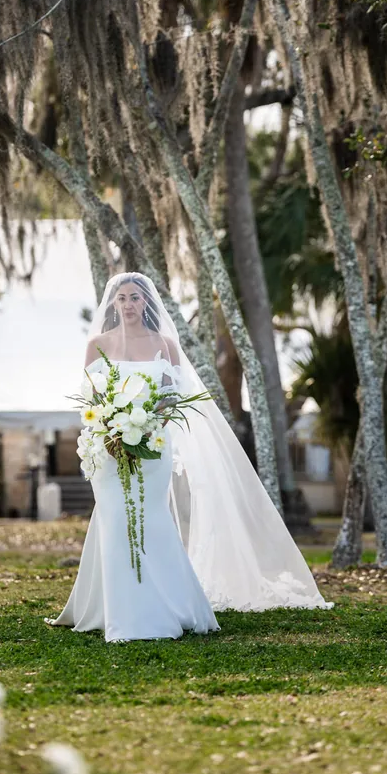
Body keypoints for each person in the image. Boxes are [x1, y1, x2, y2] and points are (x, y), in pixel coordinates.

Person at [53, 272, 332, 642]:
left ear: (146, 303)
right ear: (113, 303)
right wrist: (111, 428)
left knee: (152, 518)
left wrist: (150, 423)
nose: (128, 304)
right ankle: (115, 609)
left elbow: (173, 396)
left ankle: (165, 604)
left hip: (153, 444)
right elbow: (89, 399)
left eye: (135, 297)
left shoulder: (164, 345)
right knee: (115, 517)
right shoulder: (97, 345)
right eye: (121, 298)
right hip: (109, 447)